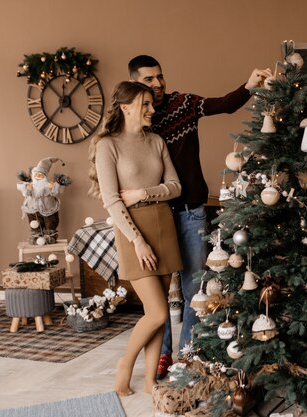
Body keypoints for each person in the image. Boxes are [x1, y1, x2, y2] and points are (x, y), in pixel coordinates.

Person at [127, 55, 271, 380]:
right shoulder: (137, 124)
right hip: (156, 216)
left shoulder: (184, 104)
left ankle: (188, 354)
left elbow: (224, 104)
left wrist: (249, 86)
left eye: (160, 77)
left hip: (191, 211)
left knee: (195, 289)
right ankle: (161, 356)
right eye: (149, 79)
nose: (158, 84)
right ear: (136, 83)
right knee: (159, 295)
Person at [87, 81, 183, 396]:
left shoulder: (156, 141)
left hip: (163, 225)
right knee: (156, 311)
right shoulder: (107, 145)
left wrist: (144, 192)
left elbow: (175, 186)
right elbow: (112, 201)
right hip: (132, 231)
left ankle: (150, 380)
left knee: (159, 314)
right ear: (126, 107)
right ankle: (124, 365)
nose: (151, 110)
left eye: (151, 104)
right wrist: (137, 241)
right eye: (144, 104)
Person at [16, 157, 70, 244]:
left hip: (48, 208)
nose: (38, 177)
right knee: (34, 223)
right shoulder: (31, 185)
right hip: (32, 209)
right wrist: (27, 188)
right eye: (36, 175)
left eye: (41, 175)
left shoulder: (48, 185)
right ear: (33, 176)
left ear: (44, 177)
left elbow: (58, 191)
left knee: (50, 221)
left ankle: (50, 236)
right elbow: (21, 187)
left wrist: (54, 187)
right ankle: (36, 236)